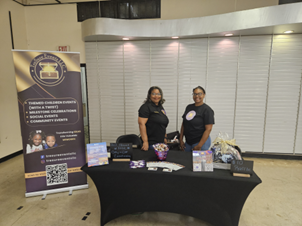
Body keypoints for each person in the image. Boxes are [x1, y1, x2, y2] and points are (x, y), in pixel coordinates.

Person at [179, 86, 215, 152]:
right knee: (186, 161)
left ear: (204, 95)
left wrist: (199, 145)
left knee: (198, 162)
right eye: (195, 94)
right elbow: (184, 124)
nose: (197, 96)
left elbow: (208, 129)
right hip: (188, 142)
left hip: (201, 142)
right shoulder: (189, 107)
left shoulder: (207, 110)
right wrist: (180, 139)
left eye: (199, 94)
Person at [138, 86, 169, 151]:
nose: (156, 96)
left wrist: (164, 137)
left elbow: (162, 124)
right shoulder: (145, 107)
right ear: (149, 95)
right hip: (150, 144)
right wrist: (145, 142)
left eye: (158, 94)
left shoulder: (160, 107)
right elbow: (141, 124)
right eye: (153, 94)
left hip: (160, 143)